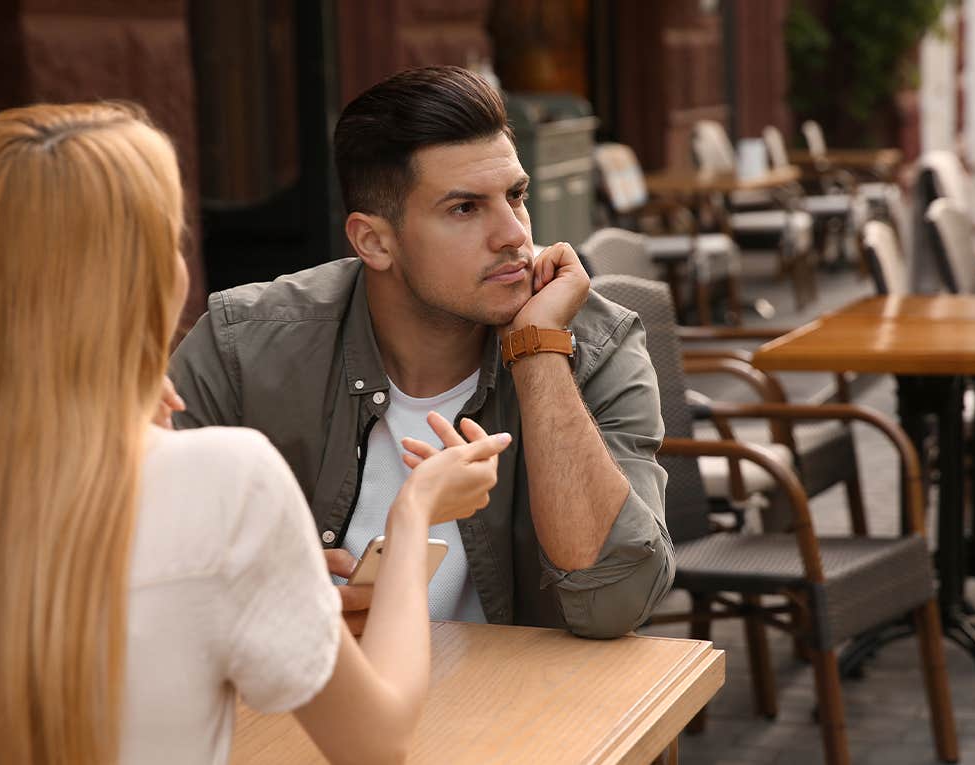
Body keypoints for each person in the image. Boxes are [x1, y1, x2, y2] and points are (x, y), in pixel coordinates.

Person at [0, 102, 509, 765]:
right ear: (137, 278)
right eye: (172, 237)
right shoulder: (226, 482)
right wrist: (414, 514)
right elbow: (378, 738)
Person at [169, 66, 674, 639]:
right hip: (302, 700)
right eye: (465, 208)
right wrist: (265, 598)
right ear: (374, 241)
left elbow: (615, 603)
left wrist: (536, 352)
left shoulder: (592, 343)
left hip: (518, 713)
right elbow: (132, 566)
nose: (513, 234)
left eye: (515, 196)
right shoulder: (242, 345)